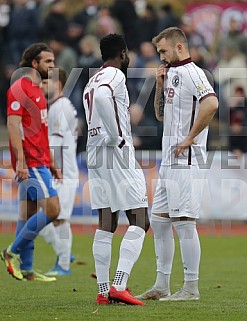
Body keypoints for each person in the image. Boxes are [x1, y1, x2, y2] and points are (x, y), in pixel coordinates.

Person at [136, 27, 218, 301]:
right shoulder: (170, 74)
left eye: (163, 51)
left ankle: (191, 288)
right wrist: (159, 86)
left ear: (179, 47)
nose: (160, 56)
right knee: (159, 222)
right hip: (169, 161)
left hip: (187, 159)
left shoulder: (195, 73)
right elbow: (160, 115)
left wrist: (190, 138)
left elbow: (212, 104)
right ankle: (162, 284)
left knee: (184, 222)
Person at [83, 33, 150, 305]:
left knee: (107, 222)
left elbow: (95, 99)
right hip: (115, 152)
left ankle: (102, 290)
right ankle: (119, 284)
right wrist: (118, 135)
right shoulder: (115, 75)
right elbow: (102, 98)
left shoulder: (91, 79)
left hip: (94, 152)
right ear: (122, 53)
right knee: (141, 220)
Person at [1, 43, 61, 281]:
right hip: (31, 163)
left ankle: (26, 270)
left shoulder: (37, 90)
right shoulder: (19, 89)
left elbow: (39, 130)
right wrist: (21, 163)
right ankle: (11, 251)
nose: (53, 66)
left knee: (28, 213)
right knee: (53, 210)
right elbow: (13, 126)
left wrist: (52, 161)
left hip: (41, 160)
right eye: (48, 61)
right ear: (34, 64)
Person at [39, 68, 79, 276]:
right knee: (42, 218)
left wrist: (45, 163)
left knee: (59, 218)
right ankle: (64, 251)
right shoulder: (55, 107)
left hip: (62, 172)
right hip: (58, 170)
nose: (41, 85)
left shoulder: (61, 107)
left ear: (58, 85)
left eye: (46, 82)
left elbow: (55, 142)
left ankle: (63, 264)